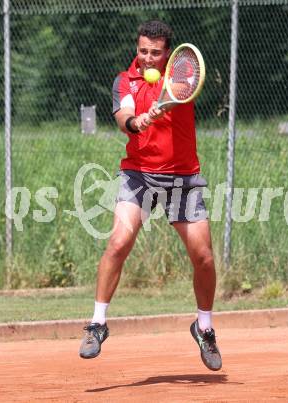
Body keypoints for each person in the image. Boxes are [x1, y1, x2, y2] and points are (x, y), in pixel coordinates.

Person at [79, 20, 222, 371]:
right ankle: (97, 324)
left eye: (155, 53)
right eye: (143, 50)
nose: (147, 58)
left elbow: (176, 94)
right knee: (118, 243)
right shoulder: (123, 80)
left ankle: (204, 327)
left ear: (168, 55)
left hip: (182, 178)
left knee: (203, 257)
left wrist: (159, 106)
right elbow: (123, 114)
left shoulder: (180, 75)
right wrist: (134, 122)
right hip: (138, 174)